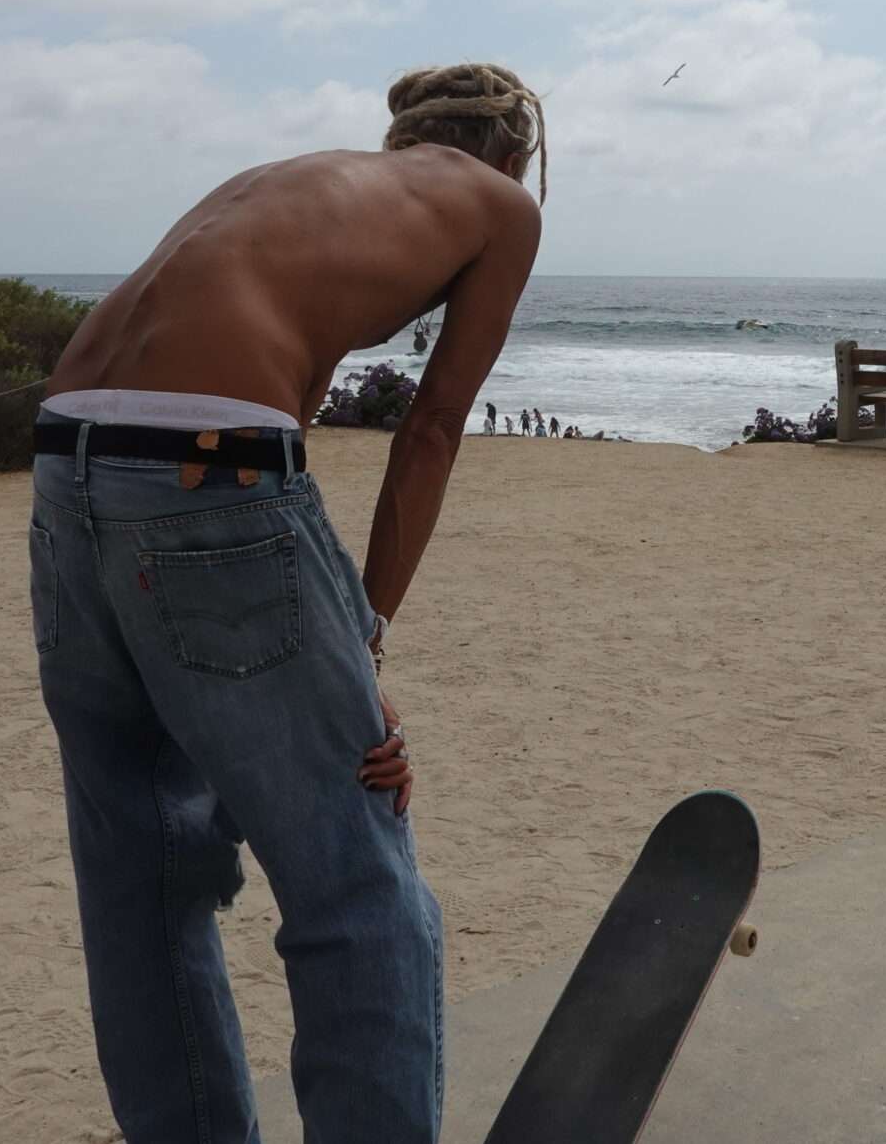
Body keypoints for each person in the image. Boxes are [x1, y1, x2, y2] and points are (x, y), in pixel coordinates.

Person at [29, 63, 546, 1144]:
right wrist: (365, 645)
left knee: (142, 870)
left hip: (67, 460)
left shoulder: (298, 184)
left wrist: (333, 660)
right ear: (511, 155)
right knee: (358, 884)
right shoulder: (500, 205)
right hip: (208, 460)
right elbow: (431, 430)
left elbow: (278, 446)